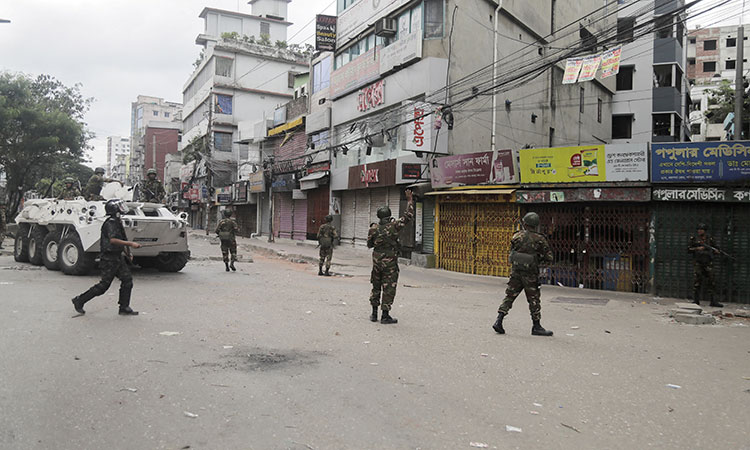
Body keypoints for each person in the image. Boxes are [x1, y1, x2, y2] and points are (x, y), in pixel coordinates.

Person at [71, 199, 141, 316]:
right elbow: (113, 240)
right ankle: (79, 300)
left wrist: (128, 252)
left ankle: (124, 307)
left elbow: (122, 239)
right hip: (109, 258)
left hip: (117, 257)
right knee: (104, 286)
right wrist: (131, 244)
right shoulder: (110, 223)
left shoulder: (117, 221)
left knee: (127, 280)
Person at [493, 212, 554, 336]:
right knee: (534, 299)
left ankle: (499, 320)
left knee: (510, 296)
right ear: (536, 225)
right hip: (530, 274)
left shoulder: (516, 236)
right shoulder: (540, 239)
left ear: (525, 223)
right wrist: (537, 261)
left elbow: (512, 252)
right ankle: (536, 326)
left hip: (516, 272)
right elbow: (549, 257)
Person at [366, 189, 414, 324]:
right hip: (390, 262)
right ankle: (385, 315)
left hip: (376, 261)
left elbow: (369, 244)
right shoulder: (394, 225)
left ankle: (374, 314)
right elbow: (408, 216)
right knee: (389, 287)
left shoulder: (373, 228)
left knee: (376, 285)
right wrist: (409, 200)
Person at [688, 223, 723, 307]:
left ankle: (713, 301)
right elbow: (688, 249)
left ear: (705, 231)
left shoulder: (710, 239)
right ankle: (696, 301)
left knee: (712, 282)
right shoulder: (694, 239)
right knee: (697, 282)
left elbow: (717, 248)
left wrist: (716, 251)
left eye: (701, 229)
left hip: (708, 263)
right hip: (698, 263)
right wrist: (697, 248)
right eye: (698, 229)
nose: (699, 231)